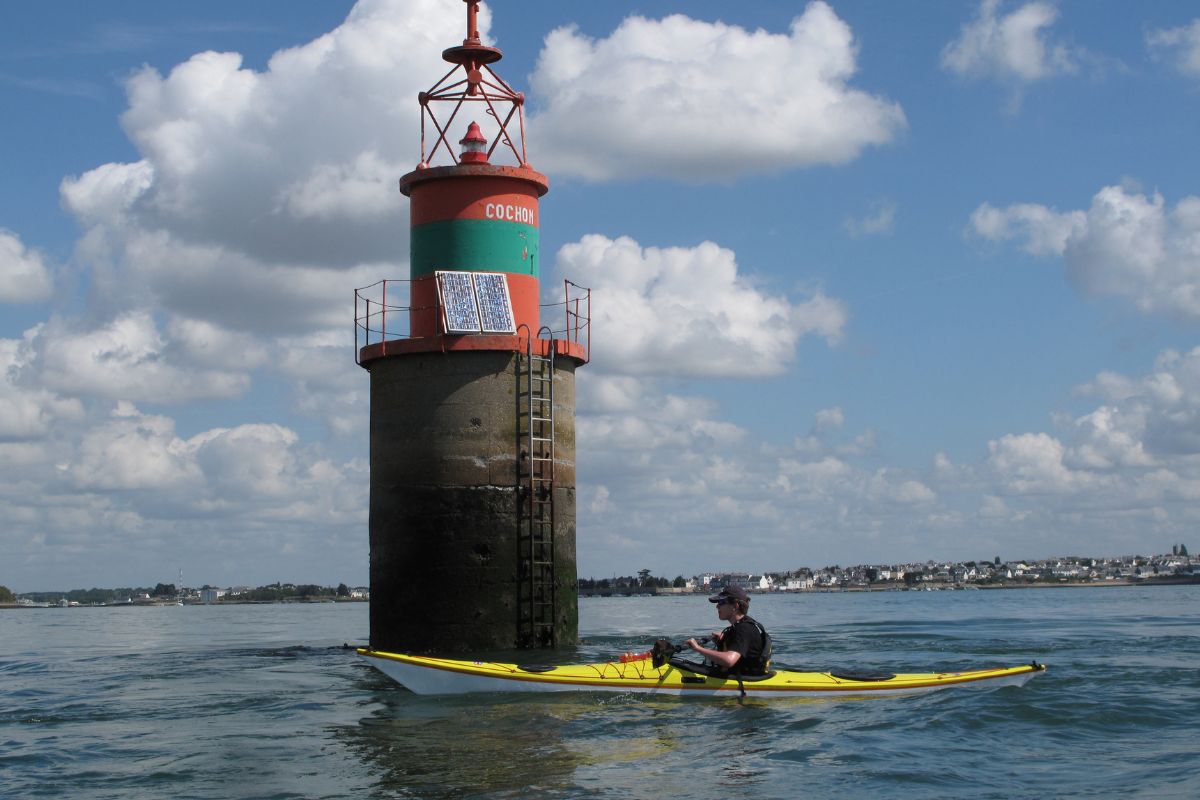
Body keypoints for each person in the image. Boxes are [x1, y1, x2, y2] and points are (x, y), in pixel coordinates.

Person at [684, 585, 770, 676]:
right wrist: (723, 641)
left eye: (721, 602)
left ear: (735, 606)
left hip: (745, 683)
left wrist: (698, 648)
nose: (717, 606)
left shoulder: (744, 629)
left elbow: (729, 660)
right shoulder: (741, 625)